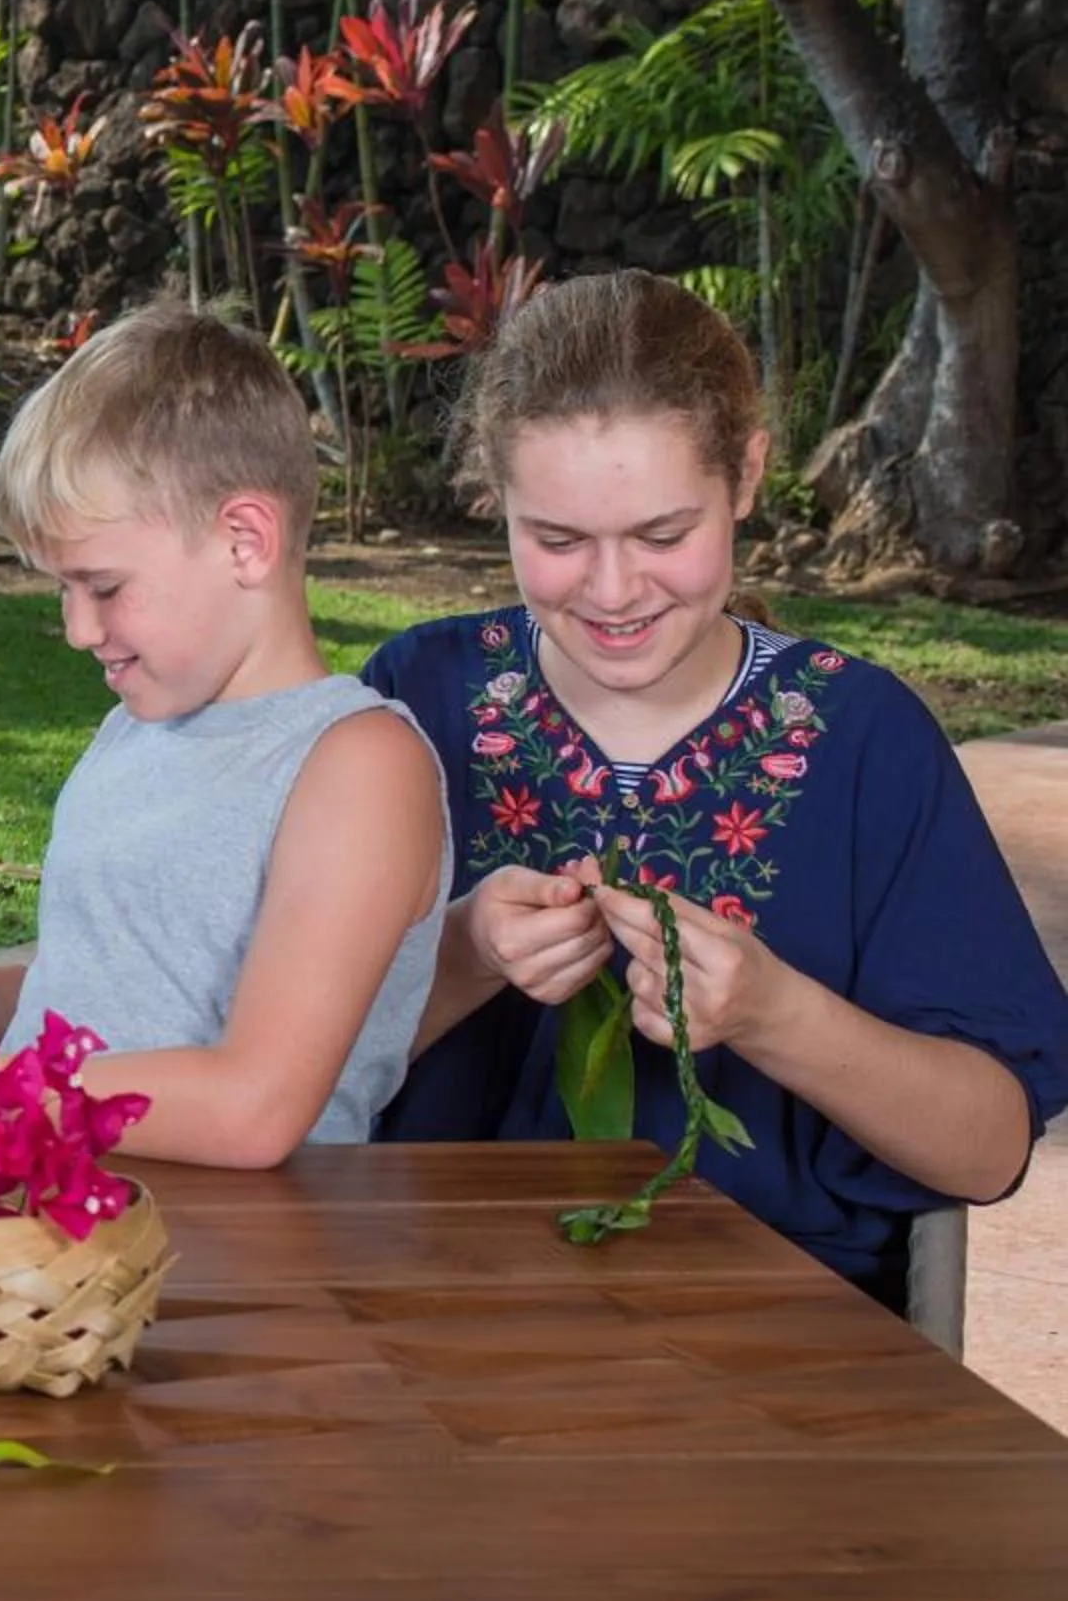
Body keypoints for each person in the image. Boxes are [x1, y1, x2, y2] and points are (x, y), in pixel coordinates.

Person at [365, 269, 1068, 1303]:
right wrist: (464, 955)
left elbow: (987, 1146)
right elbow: (277, 1069)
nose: (612, 591)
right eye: (557, 540)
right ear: (496, 495)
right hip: (429, 1300)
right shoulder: (413, 700)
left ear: (745, 476)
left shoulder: (863, 740)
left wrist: (775, 1010)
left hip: (776, 1336)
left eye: (662, 535)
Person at [0, 305, 449, 1167]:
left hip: (228, 1267)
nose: (76, 629)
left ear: (245, 541)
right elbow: (112, 997)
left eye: (102, 585)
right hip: (65, 1215)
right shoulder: (133, 732)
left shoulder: (356, 768)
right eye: (62, 590)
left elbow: (255, 1108)